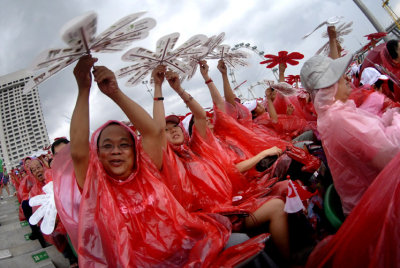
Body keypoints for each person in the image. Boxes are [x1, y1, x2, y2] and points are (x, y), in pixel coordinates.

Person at [68, 55, 266, 267]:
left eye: (124, 145)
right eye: (107, 145)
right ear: (97, 155)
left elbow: (153, 133)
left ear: (135, 151)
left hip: (188, 249)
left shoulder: (148, 171)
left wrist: (115, 93)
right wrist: (83, 89)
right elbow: (79, 153)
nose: (116, 151)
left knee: (248, 246)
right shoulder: (98, 188)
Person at [152, 64, 290, 260]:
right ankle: (290, 262)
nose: (172, 130)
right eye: (166, 130)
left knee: (286, 190)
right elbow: (155, 132)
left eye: (174, 126)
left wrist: (179, 90)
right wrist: (158, 88)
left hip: (233, 206)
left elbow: (200, 115)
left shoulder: (197, 148)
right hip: (215, 221)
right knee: (277, 206)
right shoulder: (169, 161)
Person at [300, 53, 400, 215]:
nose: (347, 79)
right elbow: (391, 151)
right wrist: (396, 117)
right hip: (376, 206)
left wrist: (390, 117)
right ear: (328, 87)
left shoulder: (333, 113)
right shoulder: (338, 118)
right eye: (340, 77)